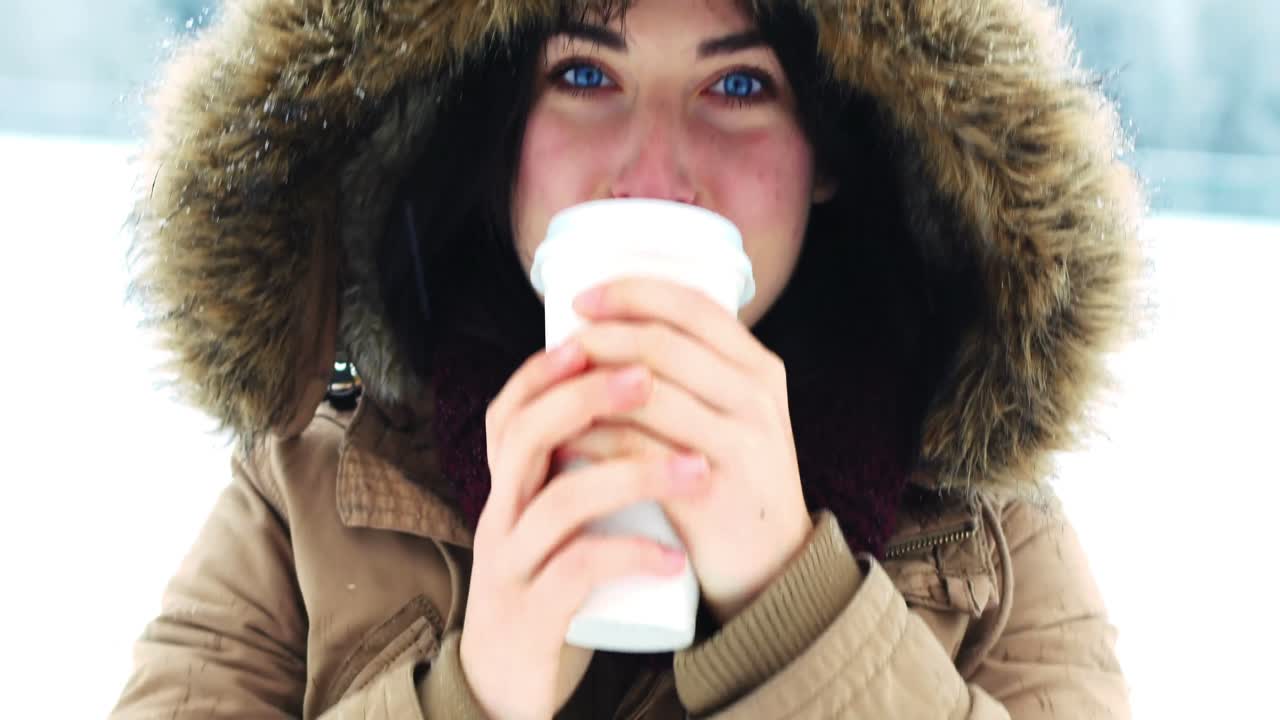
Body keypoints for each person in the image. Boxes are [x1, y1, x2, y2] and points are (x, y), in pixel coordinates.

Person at [112, 0, 1142, 717]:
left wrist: (799, 614)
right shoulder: (307, 490)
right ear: (497, 134)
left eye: (738, 82)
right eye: (582, 73)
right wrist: (475, 698)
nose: (652, 172)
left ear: (829, 150)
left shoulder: (985, 534)